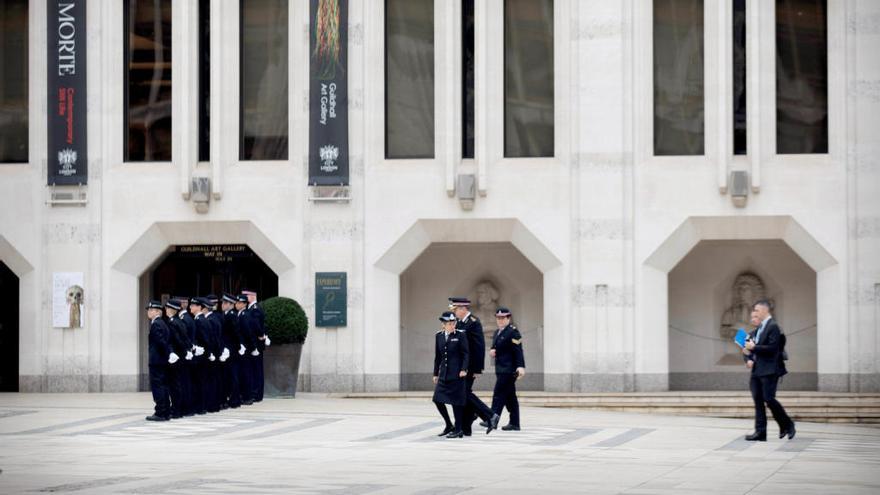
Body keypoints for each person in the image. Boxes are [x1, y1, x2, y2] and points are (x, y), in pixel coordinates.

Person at [741, 299, 795, 441]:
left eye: (757, 310)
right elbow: (749, 350)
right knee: (758, 401)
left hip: (770, 370)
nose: (755, 313)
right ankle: (760, 432)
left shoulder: (773, 326)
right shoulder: (757, 330)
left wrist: (754, 348)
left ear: (765, 310)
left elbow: (773, 349)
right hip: (757, 371)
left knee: (768, 399)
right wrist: (748, 358)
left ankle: (787, 423)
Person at [449, 297, 500, 435]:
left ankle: (490, 415)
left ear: (463, 309)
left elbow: (479, 347)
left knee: (463, 393)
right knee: (463, 394)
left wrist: (478, 368)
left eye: (455, 310)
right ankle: (466, 428)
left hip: (470, 366)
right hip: (460, 366)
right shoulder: (459, 323)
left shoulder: (473, 323)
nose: (454, 312)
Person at [432, 311, 469, 438]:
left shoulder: (460, 335)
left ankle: (458, 429)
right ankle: (449, 424)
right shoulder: (439, 336)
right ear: (443, 324)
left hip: (457, 374)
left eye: (454, 323)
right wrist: (435, 373)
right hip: (444, 375)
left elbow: (466, 354)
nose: (452, 325)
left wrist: (464, 369)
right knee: (437, 399)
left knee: (456, 402)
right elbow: (438, 357)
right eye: (449, 323)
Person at [489, 307, 525, 431]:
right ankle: (515, 423)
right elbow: (496, 347)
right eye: (498, 318)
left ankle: (491, 418)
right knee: (510, 397)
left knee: (498, 393)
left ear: (508, 318)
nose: (500, 320)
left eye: (503, 318)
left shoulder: (513, 332)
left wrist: (520, 366)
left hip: (509, 370)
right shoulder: (497, 332)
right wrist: (493, 351)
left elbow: (518, 351)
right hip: (500, 368)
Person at [145, 300, 175, 421]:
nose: (148, 312)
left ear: (158, 311)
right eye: (148, 310)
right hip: (162, 360)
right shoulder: (162, 323)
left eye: (151, 310)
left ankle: (160, 412)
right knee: (163, 385)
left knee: (158, 386)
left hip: (157, 361)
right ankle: (166, 410)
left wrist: (169, 352)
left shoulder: (156, 324)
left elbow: (161, 342)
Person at [165, 299, 194, 418]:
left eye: (167, 308)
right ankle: (183, 408)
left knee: (175, 385)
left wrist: (181, 351)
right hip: (182, 356)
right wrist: (188, 349)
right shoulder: (179, 321)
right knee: (182, 383)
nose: (165, 310)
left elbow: (176, 340)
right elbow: (185, 339)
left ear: (171, 309)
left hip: (176, 357)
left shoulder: (172, 322)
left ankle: (176, 409)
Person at [190, 297, 217, 414]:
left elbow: (205, 339)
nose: (191, 307)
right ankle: (203, 405)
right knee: (202, 381)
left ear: (199, 307)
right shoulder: (201, 319)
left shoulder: (200, 320)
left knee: (200, 382)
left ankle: (200, 407)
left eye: (193, 305)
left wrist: (204, 351)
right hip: (203, 356)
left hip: (201, 357)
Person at [243, 289, 269, 402]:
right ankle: (254, 391)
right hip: (252, 343)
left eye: (246, 295)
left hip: (256, 344)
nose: (244, 298)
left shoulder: (255, 309)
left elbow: (256, 325)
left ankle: (257, 394)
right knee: (253, 369)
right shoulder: (250, 308)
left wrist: (261, 335)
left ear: (252, 296)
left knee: (256, 369)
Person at [220, 293, 242, 409]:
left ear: (230, 304)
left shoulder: (232, 315)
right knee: (227, 375)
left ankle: (235, 400)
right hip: (227, 348)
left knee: (233, 375)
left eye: (224, 303)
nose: (222, 305)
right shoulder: (226, 314)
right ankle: (230, 398)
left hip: (231, 349)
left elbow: (236, 334)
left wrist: (237, 348)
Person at [236, 294, 256, 405]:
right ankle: (244, 395)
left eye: (239, 303)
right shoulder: (240, 314)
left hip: (246, 348)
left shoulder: (245, 315)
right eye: (237, 303)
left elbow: (248, 333)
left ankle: (248, 396)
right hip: (242, 348)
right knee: (242, 373)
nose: (237, 305)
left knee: (246, 373)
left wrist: (251, 347)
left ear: (244, 304)